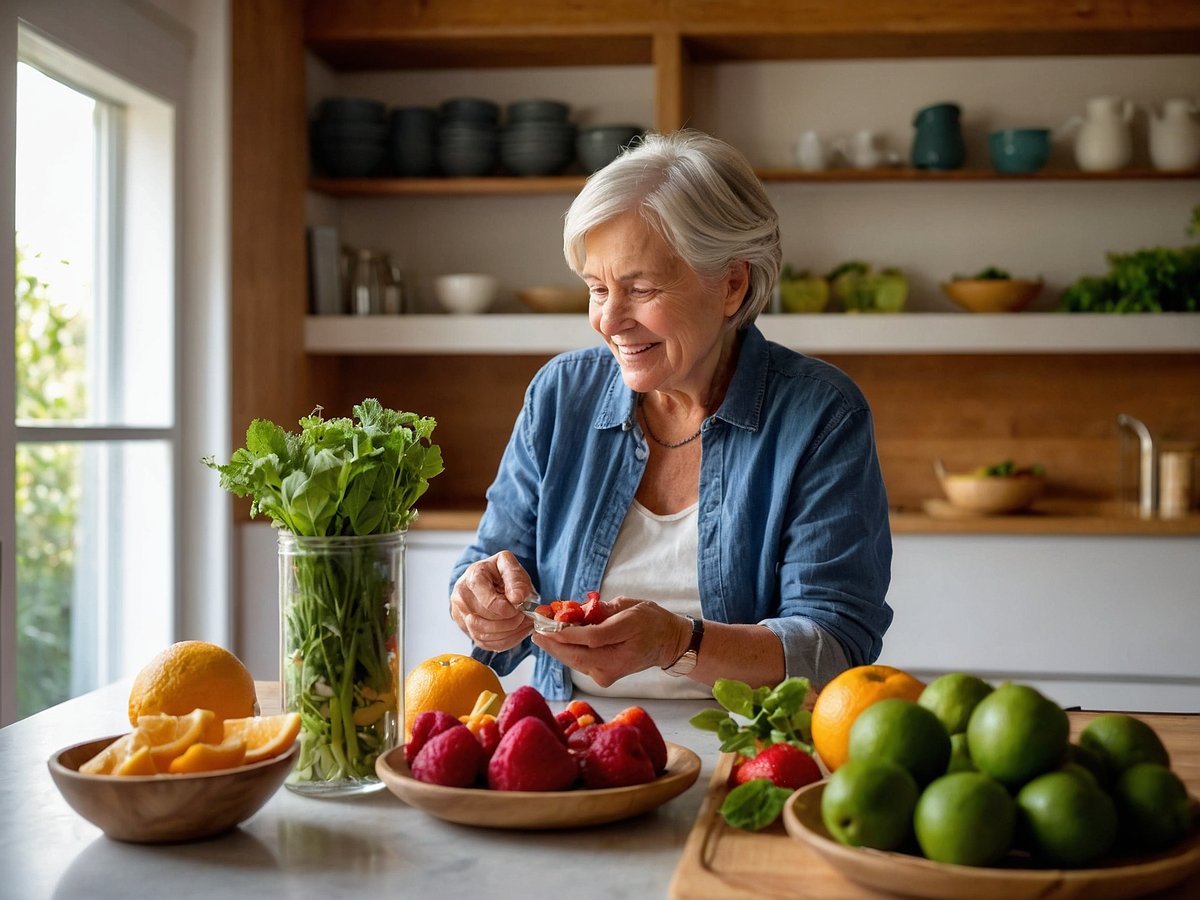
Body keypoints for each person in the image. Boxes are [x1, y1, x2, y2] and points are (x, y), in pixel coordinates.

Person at [449, 130, 892, 702]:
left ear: (731, 284)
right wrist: (482, 603)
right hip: (565, 740)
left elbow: (834, 645)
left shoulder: (821, 415)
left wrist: (677, 644)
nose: (610, 320)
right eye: (597, 289)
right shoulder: (561, 394)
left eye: (640, 289)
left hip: (746, 749)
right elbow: (494, 560)